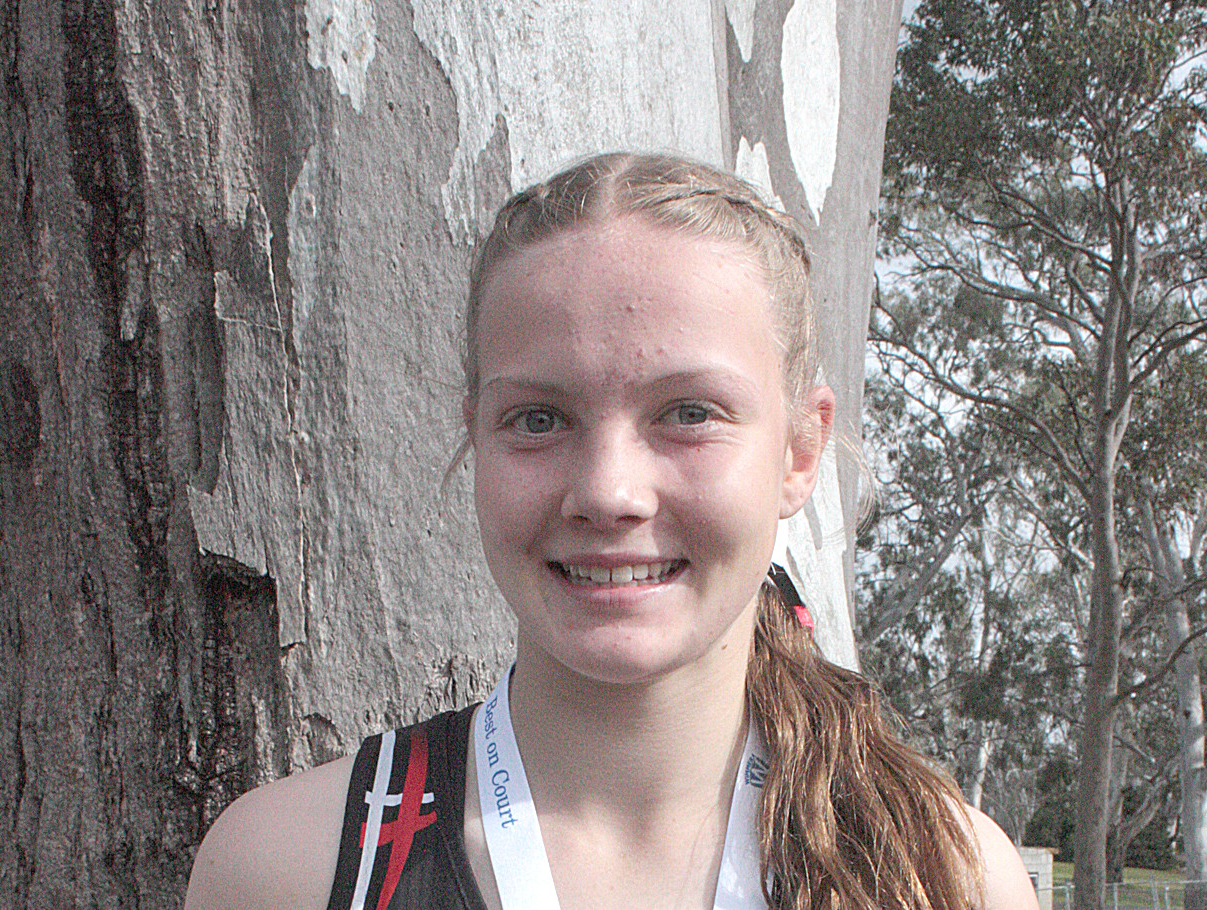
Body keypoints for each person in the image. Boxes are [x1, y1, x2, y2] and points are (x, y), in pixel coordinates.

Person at [184, 153, 1039, 910]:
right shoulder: (289, 869)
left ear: (800, 452)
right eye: (538, 418)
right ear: (475, 434)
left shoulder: (947, 878)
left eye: (688, 413)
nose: (607, 492)